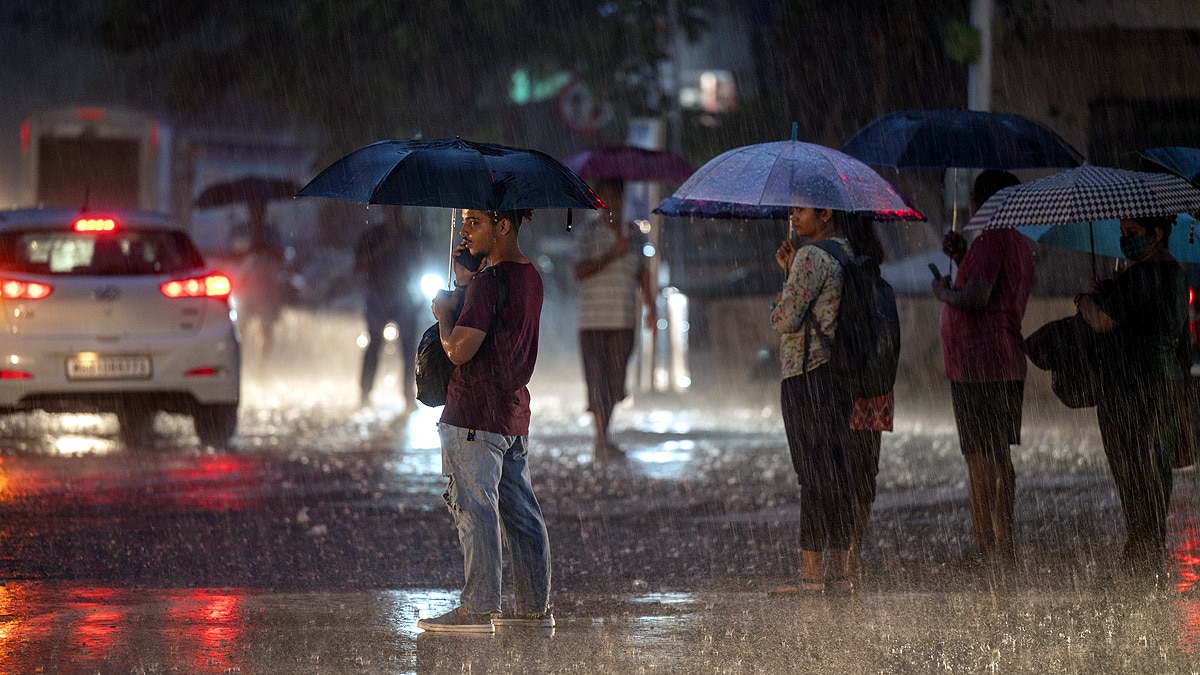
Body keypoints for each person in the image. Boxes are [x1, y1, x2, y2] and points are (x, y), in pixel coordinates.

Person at [417, 208, 553, 632]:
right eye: (464, 222)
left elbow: (459, 350)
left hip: (473, 413)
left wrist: (444, 314)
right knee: (521, 513)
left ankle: (478, 608)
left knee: (475, 510)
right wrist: (465, 280)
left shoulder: (489, 283)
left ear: (503, 225)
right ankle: (533, 609)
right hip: (512, 415)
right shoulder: (530, 277)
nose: (464, 230)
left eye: (475, 222)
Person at [1076, 214, 1187, 578]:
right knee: (1155, 467)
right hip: (1166, 382)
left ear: (1157, 234)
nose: (1126, 240)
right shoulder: (1175, 273)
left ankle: (1140, 552)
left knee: (1132, 469)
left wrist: (1085, 300)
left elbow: (1102, 321)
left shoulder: (1140, 275)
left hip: (1130, 387)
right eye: (1124, 233)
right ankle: (1151, 546)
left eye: (1133, 233)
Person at [932, 169, 1033, 564]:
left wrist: (944, 291)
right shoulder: (1013, 242)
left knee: (979, 457)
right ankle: (1003, 543)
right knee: (998, 454)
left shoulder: (993, 240)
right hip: (1001, 363)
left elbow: (977, 297)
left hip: (980, 365)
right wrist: (963, 258)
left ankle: (985, 545)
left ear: (984, 202)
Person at [769, 206, 857, 594]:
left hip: (805, 374)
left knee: (812, 475)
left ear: (825, 212)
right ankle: (839, 570)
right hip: (835, 375)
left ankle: (809, 573)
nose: (794, 218)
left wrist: (779, 300)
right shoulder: (844, 252)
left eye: (801, 210)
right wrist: (792, 277)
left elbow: (787, 318)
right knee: (835, 472)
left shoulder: (810, 255)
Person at [572, 178, 657, 460]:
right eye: (605, 198)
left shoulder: (634, 234)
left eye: (615, 198)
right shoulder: (587, 232)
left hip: (623, 319)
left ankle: (604, 434)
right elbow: (578, 272)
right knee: (596, 378)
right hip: (592, 320)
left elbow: (642, 273)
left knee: (615, 380)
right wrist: (611, 254)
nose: (611, 205)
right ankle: (600, 439)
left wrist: (651, 309)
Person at [843, 217, 894, 581]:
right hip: (877, 389)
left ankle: (837, 553)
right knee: (865, 472)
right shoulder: (882, 285)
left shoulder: (841, 281)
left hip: (846, 388)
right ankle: (853, 552)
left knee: (839, 469)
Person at [353, 213, 422, 409]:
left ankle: (408, 393)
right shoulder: (373, 235)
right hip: (378, 294)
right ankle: (365, 392)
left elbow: (420, 263)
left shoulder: (410, 235)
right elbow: (358, 265)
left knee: (409, 348)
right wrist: (385, 247)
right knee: (374, 344)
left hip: (403, 294)